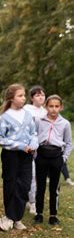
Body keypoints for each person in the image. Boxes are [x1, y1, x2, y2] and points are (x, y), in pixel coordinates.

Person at [0, 83, 38, 231]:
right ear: (11, 98)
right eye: (20, 96)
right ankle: (11, 217)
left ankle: (16, 217)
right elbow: (0, 138)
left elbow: (34, 133)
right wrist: (20, 146)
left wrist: (33, 144)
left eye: (24, 95)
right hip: (11, 156)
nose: (23, 98)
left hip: (27, 156)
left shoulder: (28, 115)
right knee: (11, 185)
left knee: (24, 185)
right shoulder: (4, 117)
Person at [34, 95, 72, 225]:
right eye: (51, 106)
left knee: (55, 187)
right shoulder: (39, 121)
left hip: (56, 156)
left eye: (57, 106)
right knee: (41, 186)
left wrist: (63, 158)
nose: (54, 109)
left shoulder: (65, 123)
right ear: (46, 107)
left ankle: (53, 214)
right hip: (41, 155)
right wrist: (35, 155)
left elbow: (68, 143)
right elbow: (33, 138)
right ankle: (39, 213)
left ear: (61, 107)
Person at [23, 85, 47, 214]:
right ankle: (31, 202)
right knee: (31, 175)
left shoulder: (45, 111)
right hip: (29, 146)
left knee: (39, 175)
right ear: (32, 98)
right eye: (38, 95)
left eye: (42, 94)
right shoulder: (27, 109)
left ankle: (36, 199)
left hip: (43, 148)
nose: (41, 97)